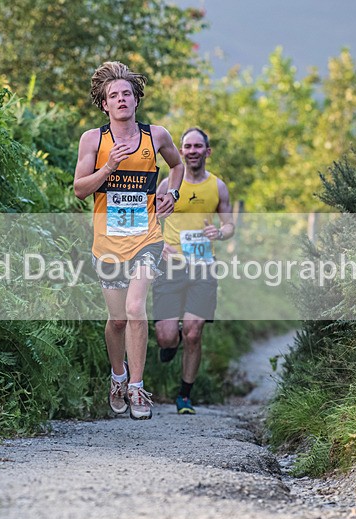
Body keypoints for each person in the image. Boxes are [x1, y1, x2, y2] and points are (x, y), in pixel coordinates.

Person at [74, 61, 184, 420]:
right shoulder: (94, 140)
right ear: (104, 104)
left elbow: (177, 166)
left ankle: (137, 388)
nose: (121, 99)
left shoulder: (157, 136)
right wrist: (108, 167)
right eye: (114, 95)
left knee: (136, 308)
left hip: (147, 238)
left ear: (136, 99)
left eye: (127, 93)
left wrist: (173, 194)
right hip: (107, 243)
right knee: (118, 319)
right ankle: (118, 377)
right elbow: (79, 190)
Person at [153, 127, 235, 415]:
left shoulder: (218, 187)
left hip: (203, 266)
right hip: (170, 265)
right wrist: (160, 245)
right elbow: (149, 220)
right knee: (166, 337)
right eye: (187, 146)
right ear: (181, 151)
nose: (192, 151)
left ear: (207, 151)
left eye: (197, 146)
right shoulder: (167, 184)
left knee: (193, 332)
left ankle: (184, 396)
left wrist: (220, 233)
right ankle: (170, 339)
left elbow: (229, 225)